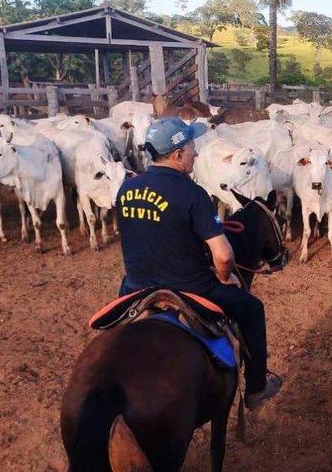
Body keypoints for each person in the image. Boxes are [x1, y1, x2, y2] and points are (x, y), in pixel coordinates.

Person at [116, 116, 282, 410]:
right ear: (178, 153)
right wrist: (222, 276)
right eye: (193, 146)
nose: (197, 153)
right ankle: (256, 388)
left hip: (135, 286)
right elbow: (224, 255)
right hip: (189, 286)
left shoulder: (126, 190)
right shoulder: (193, 194)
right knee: (252, 307)